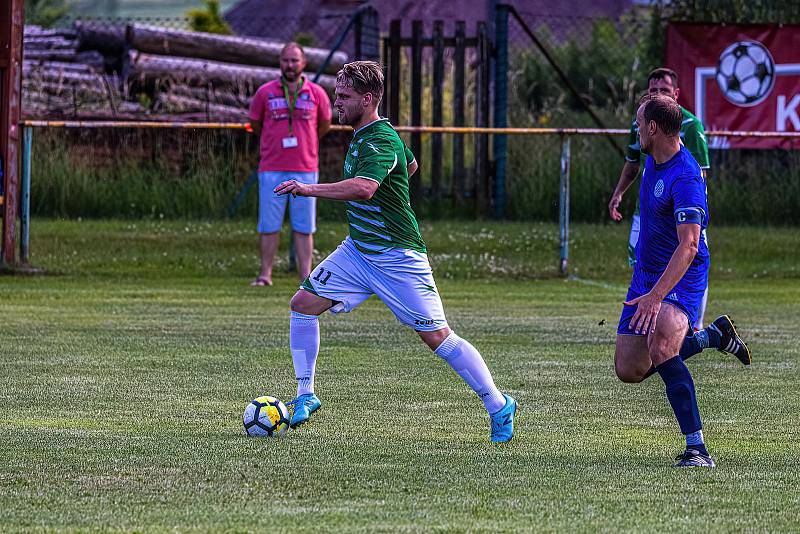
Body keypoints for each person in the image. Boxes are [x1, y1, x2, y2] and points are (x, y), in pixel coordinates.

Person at [274, 61, 517, 442]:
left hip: (397, 258)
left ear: (367, 99)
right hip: (359, 253)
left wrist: (308, 189)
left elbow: (365, 188)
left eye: (344, 97)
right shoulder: (366, 134)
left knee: (438, 337)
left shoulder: (381, 139)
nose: (337, 102)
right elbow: (411, 163)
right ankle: (306, 395)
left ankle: (499, 405)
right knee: (303, 303)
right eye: (337, 94)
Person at [613, 94, 750, 467]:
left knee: (661, 349)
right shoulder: (652, 157)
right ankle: (713, 337)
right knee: (629, 368)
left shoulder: (686, 176)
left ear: (653, 128)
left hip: (682, 276)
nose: (637, 129)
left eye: (640, 123)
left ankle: (697, 449)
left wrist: (657, 297)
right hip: (647, 276)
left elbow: (689, 246)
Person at [609, 68, 711, 329]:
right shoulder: (641, 123)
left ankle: (693, 326)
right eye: (652, 90)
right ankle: (650, 318)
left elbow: (699, 176)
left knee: (688, 254)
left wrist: (686, 209)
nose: (656, 95)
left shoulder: (690, 127)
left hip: (681, 210)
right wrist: (619, 193)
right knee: (642, 261)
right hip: (649, 209)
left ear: (675, 94)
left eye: (663, 91)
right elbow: (633, 165)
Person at [248, 42, 332, 286]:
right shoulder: (265, 92)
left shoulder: (317, 93)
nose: (290, 65)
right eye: (285, 60)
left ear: (304, 63)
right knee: (269, 223)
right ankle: (265, 274)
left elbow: (324, 125)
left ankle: (306, 277)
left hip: (305, 168)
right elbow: (255, 124)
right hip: (272, 167)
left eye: (295, 60)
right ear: (279, 62)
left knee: (304, 226)